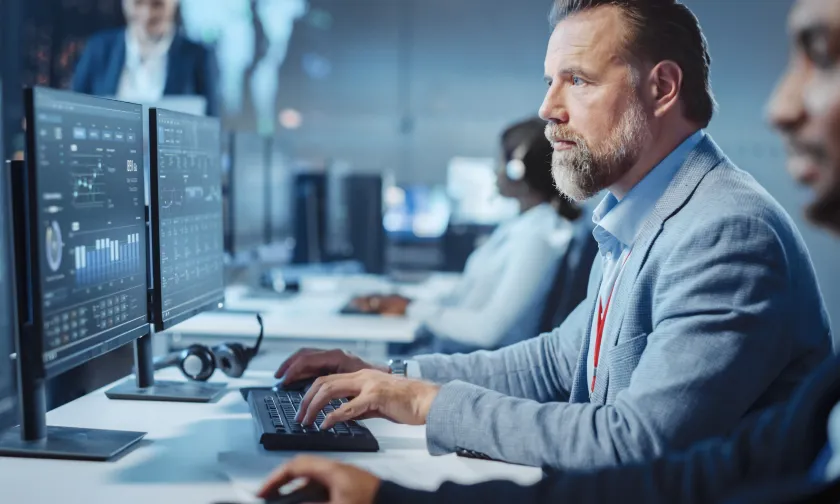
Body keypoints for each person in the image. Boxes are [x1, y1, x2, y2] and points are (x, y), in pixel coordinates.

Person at [257, 0, 840, 501]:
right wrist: (388, 376)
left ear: (661, 88)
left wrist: (428, 403)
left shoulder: (725, 229)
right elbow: (552, 363)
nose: (547, 108)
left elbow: (635, 446)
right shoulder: (640, 214)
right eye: (550, 80)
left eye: (578, 80)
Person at [355, 117, 590, 354]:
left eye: (501, 160)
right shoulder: (522, 226)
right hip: (454, 351)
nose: (496, 169)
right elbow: (464, 298)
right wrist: (409, 301)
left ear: (518, 170)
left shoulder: (538, 237)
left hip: (476, 362)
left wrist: (412, 308)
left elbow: (487, 330)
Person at [71, 0, 218, 115]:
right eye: (138, 3)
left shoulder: (198, 56)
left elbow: (212, 125)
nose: (147, 13)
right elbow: (75, 107)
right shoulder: (98, 48)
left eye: (158, 4)